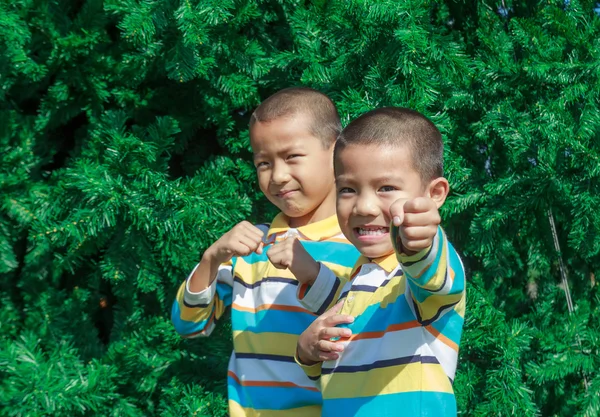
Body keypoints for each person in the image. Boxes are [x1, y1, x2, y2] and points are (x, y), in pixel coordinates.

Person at [171, 87, 360, 417]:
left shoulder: (360, 246)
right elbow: (190, 326)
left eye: (291, 157)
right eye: (263, 162)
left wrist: (311, 273)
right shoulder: (250, 248)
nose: (278, 175)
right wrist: (210, 260)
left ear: (335, 154)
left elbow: (365, 330)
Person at [295, 107, 466, 416]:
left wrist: (421, 240)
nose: (363, 206)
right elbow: (338, 370)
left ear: (435, 193)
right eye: (347, 189)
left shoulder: (417, 275)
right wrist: (308, 352)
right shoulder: (355, 282)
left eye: (386, 188)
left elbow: (432, 276)